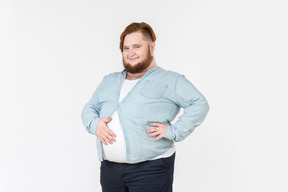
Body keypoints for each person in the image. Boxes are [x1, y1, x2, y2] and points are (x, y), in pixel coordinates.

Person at [81, 22, 209, 192]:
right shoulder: (109, 81)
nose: (131, 52)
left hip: (151, 169)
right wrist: (94, 124)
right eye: (126, 48)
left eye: (136, 46)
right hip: (110, 171)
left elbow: (199, 104)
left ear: (151, 47)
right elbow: (89, 108)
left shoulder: (170, 80)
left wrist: (173, 131)